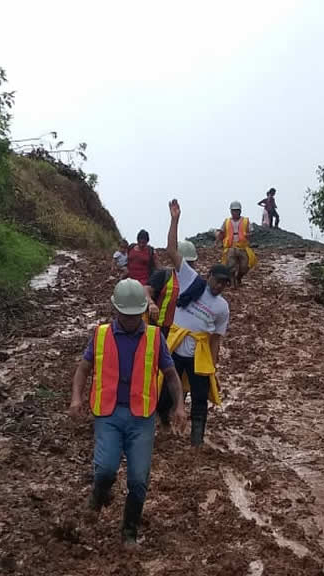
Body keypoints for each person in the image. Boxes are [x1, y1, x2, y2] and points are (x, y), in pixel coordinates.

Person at [69, 279, 186, 547]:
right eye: (126, 315)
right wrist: (76, 398)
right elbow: (83, 369)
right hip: (108, 414)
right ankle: (98, 496)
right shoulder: (100, 335)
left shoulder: (155, 338)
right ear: (115, 310)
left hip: (142, 417)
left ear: (142, 311)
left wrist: (179, 405)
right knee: (106, 469)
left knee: (138, 479)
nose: (132, 321)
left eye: (136, 315)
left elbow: (170, 375)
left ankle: (129, 531)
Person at [157, 202, 231, 446]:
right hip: (175, 349)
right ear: (208, 276)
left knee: (200, 398)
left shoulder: (222, 307)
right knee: (166, 390)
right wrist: (175, 220)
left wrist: (214, 366)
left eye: (224, 284)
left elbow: (216, 339)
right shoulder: (190, 279)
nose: (219, 286)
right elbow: (170, 249)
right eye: (217, 280)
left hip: (198, 354)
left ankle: (197, 439)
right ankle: (164, 421)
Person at [144, 200, 198, 338]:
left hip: (180, 334)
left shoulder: (195, 282)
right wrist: (151, 304)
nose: (188, 266)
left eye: (191, 263)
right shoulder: (164, 275)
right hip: (158, 330)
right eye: (187, 262)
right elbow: (145, 290)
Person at [215, 201, 258, 287]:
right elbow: (221, 232)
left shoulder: (245, 221)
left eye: (237, 210)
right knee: (230, 266)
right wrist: (218, 240)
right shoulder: (227, 221)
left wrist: (250, 235)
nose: (235, 212)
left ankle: (239, 277)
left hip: (242, 247)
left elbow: (252, 231)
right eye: (234, 210)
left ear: (240, 211)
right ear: (231, 211)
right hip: (231, 247)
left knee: (245, 266)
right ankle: (232, 283)